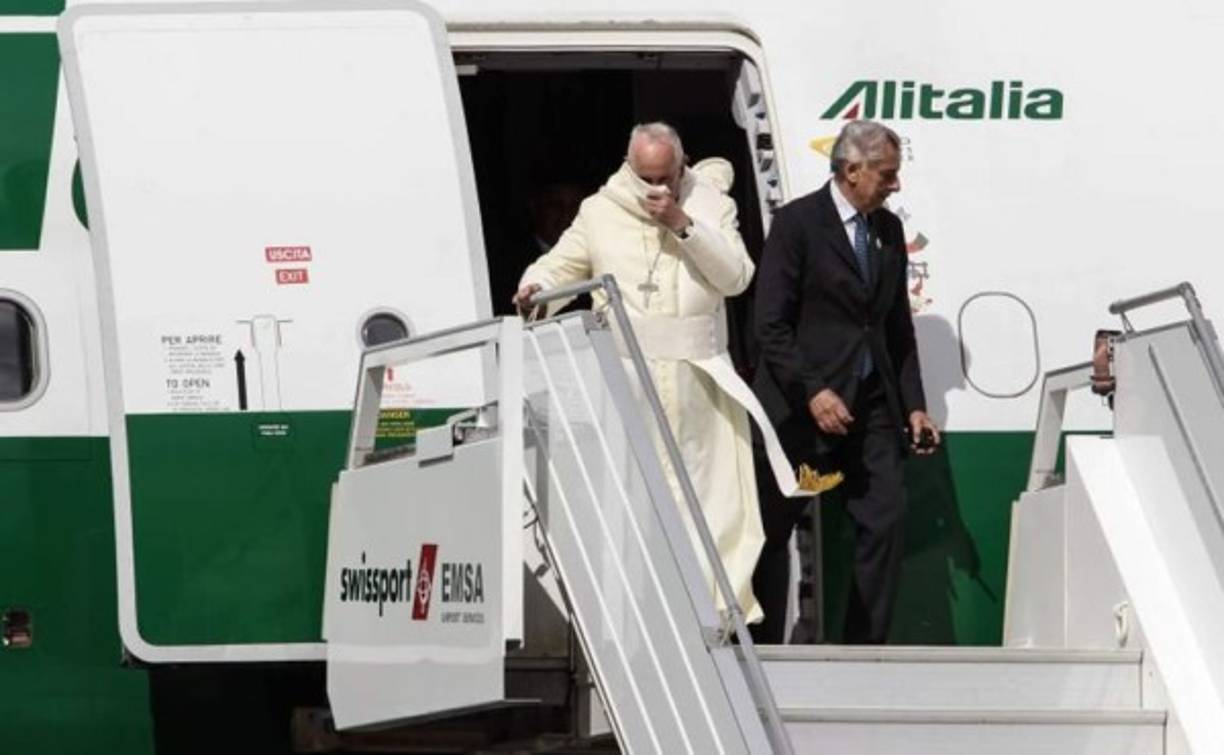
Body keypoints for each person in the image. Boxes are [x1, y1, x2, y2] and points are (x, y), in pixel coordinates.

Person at [513, 122, 793, 623]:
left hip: (700, 382)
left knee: (713, 504)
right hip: (628, 384)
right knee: (632, 501)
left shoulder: (711, 205)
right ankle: (638, 614)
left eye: (667, 177)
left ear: (682, 166)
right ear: (629, 168)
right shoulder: (600, 211)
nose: (658, 189)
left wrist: (683, 224)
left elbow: (737, 277)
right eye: (648, 179)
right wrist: (534, 286)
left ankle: (712, 615)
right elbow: (558, 266)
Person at [751, 119, 940, 645]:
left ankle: (864, 653)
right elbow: (769, 323)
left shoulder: (886, 230)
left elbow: (895, 325)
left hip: (871, 403)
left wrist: (915, 406)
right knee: (770, 530)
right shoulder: (797, 225)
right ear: (851, 170)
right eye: (887, 174)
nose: (895, 184)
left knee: (886, 518)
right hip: (798, 402)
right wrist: (813, 389)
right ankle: (762, 653)